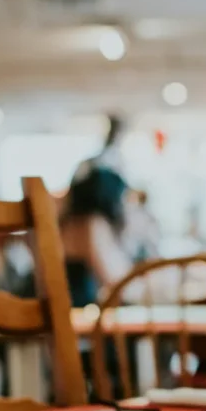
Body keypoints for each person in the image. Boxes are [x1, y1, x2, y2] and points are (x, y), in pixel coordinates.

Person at [60, 117, 136, 307]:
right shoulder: (91, 224)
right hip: (80, 316)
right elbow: (112, 279)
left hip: (65, 310)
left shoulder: (67, 221)